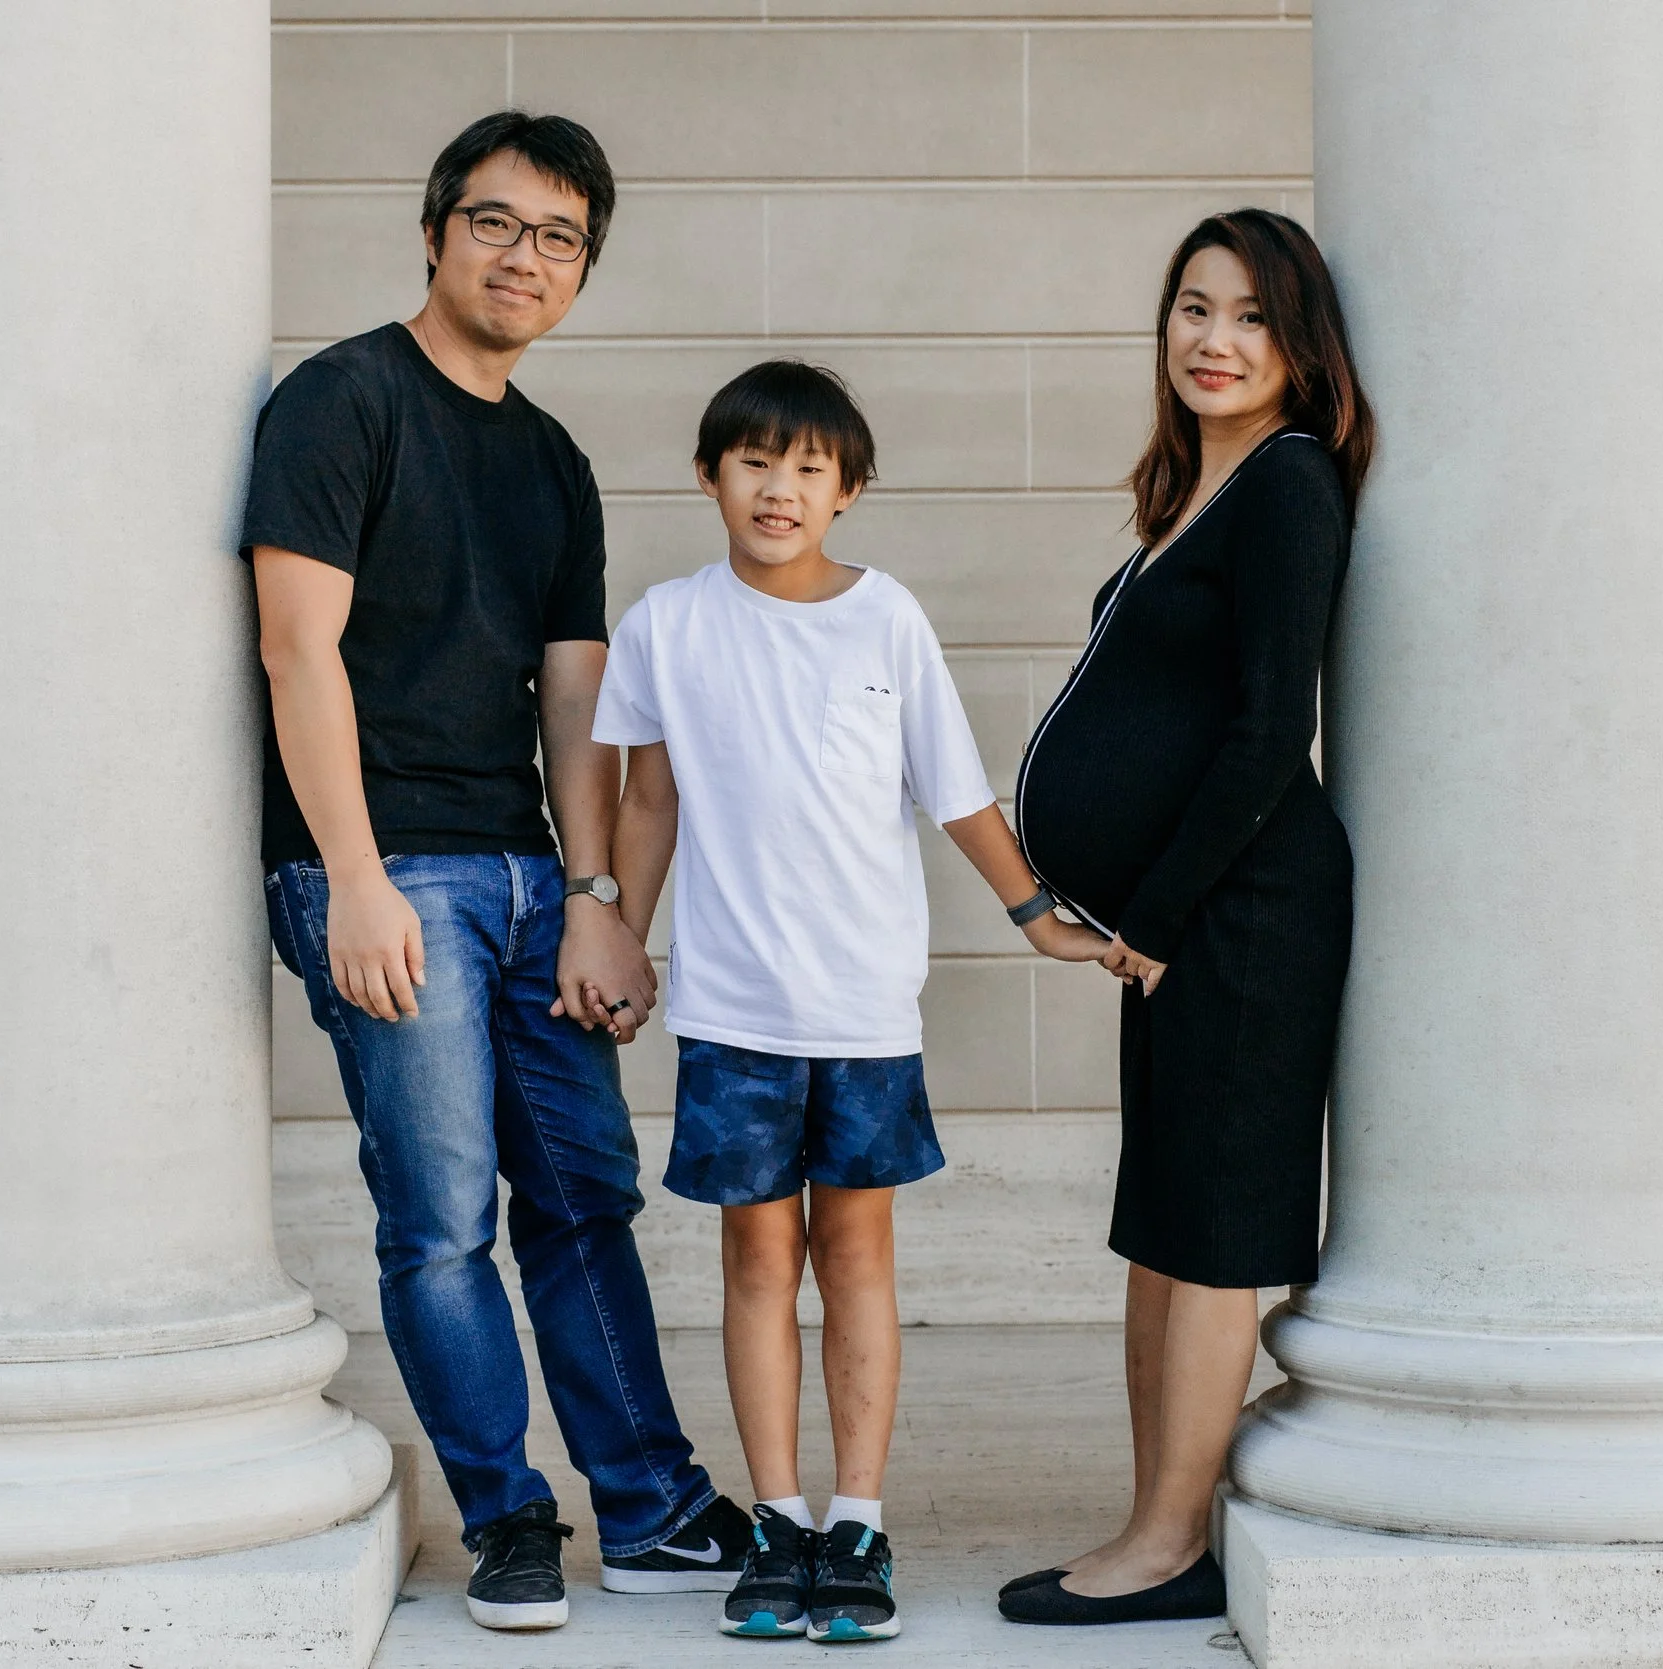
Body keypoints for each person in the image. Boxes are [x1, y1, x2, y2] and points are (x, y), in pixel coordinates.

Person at [243, 111, 755, 1634]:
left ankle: (652, 1507)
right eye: (496, 223)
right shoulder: (340, 402)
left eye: (558, 239)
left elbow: (577, 692)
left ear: (582, 272)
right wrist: (352, 877)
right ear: (431, 230)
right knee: (444, 1212)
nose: (523, 258)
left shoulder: (551, 458)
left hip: (531, 881)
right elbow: (294, 647)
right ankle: (508, 1518)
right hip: (387, 864)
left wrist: (596, 898)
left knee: (587, 1196)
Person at [596, 361, 1111, 1643]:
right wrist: (617, 931)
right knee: (758, 1259)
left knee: (858, 1255)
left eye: (809, 468)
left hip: (866, 1008)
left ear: (850, 491)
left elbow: (953, 789)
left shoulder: (886, 619)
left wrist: (1035, 910)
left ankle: (857, 1521)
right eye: (755, 462)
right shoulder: (665, 622)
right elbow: (648, 800)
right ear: (709, 473)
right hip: (733, 1007)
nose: (780, 488)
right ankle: (776, 1519)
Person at [998, 209, 1376, 1626]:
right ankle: (1151, 1514)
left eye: (1252, 318)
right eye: (1193, 309)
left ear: (1300, 347)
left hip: (1243, 912)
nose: (1215, 341)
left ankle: (1169, 1548)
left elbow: (1275, 727)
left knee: (1213, 1226)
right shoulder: (1195, 491)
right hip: (1180, 919)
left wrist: (1154, 912)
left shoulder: (1287, 486)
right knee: (1159, 1223)